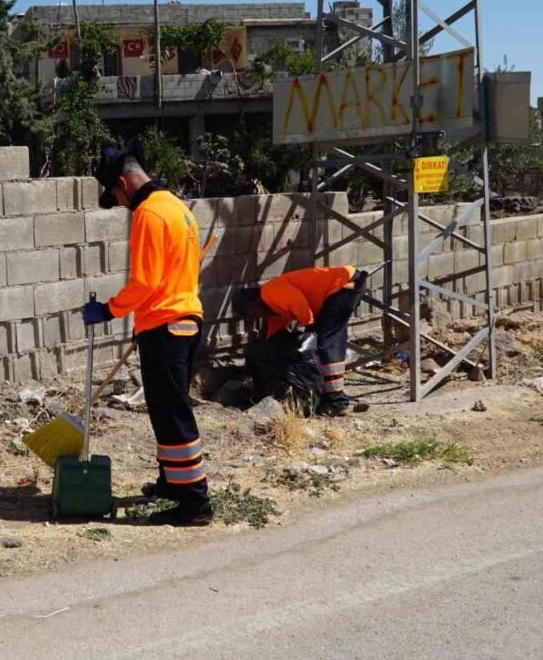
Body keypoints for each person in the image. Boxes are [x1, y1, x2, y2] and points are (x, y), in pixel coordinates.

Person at [82, 141, 211, 527]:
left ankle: (194, 503)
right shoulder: (177, 208)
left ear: (123, 182)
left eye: (117, 196)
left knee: (172, 415)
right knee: (166, 410)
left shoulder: (149, 214)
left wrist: (108, 310)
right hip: (181, 319)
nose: (121, 204)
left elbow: (144, 282)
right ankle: (173, 482)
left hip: (166, 325)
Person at [234, 266, 368, 416]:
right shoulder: (272, 308)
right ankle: (329, 395)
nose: (254, 318)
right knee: (330, 342)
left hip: (343, 284)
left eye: (251, 314)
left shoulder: (270, 292)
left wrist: (309, 332)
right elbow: (274, 333)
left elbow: (300, 303)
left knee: (324, 344)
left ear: (253, 304)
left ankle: (337, 402)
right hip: (342, 287)